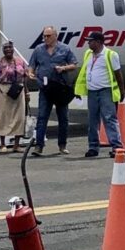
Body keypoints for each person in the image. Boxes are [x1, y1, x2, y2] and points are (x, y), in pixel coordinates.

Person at [26, 26, 78, 156]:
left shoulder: (65, 49)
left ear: (55, 36)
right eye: (44, 36)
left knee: (63, 118)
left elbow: (74, 64)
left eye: (48, 36)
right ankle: (39, 146)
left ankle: (62, 145)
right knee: (42, 117)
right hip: (45, 88)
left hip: (60, 87)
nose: (45, 38)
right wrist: (30, 73)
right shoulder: (39, 49)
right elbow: (32, 65)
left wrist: (63, 68)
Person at [74, 31, 125, 157]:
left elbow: (118, 74)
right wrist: (79, 90)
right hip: (92, 91)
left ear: (98, 42)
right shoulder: (88, 54)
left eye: (90, 41)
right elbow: (85, 72)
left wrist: (122, 90)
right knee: (92, 120)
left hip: (105, 91)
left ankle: (117, 146)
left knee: (109, 118)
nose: (88, 43)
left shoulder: (110, 55)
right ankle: (93, 147)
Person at [0, 41, 29, 151]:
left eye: (10, 47)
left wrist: (27, 92)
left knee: (19, 117)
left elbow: (25, 77)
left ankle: (16, 145)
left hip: (18, 90)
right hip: (3, 90)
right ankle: (2, 144)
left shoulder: (20, 61)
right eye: (5, 48)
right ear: (3, 50)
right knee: (3, 117)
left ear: (13, 49)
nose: (8, 50)